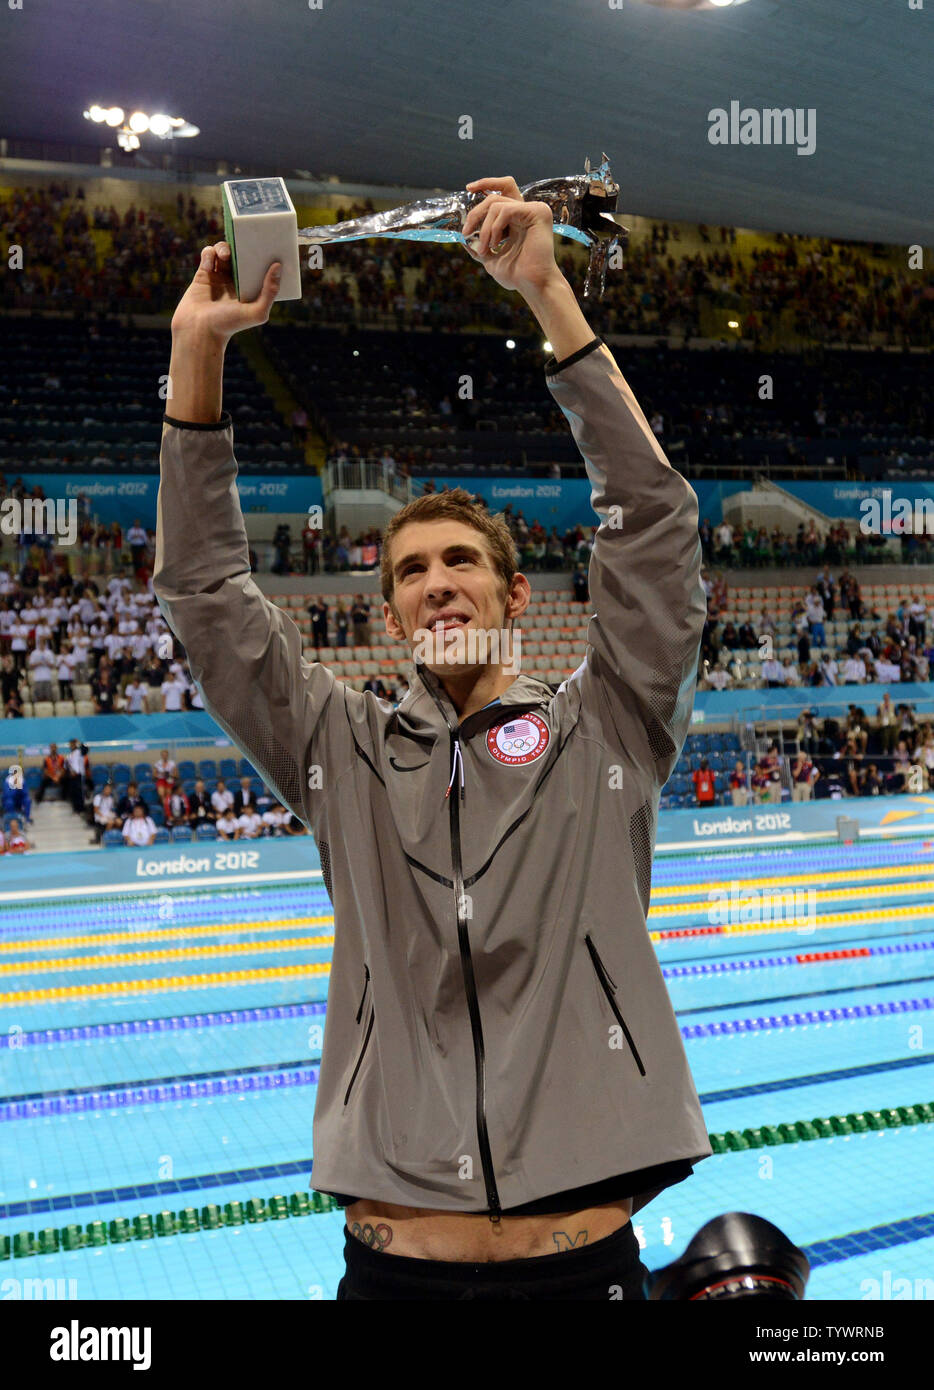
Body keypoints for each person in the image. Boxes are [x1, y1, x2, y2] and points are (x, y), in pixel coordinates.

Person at [153, 186, 710, 1303]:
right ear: (391, 614)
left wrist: (547, 294)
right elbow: (208, 593)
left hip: (577, 1263)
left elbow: (650, 523)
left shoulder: (605, 727)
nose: (436, 582)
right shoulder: (337, 746)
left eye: (459, 561)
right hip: (397, 1267)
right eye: (410, 571)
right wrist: (195, 360)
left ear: (512, 591)